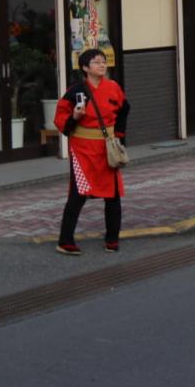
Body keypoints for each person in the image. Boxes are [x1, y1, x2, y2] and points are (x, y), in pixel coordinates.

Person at [55, 49, 130, 255]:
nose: (102, 65)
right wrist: (75, 117)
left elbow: (124, 109)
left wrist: (120, 137)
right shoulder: (74, 91)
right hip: (82, 150)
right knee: (78, 194)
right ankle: (65, 240)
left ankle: (112, 239)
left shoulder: (113, 87)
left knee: (113, 194)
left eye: (103, 61)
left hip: (106, 149)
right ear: (86, 68)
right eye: (96, 62)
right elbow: (61, 122)